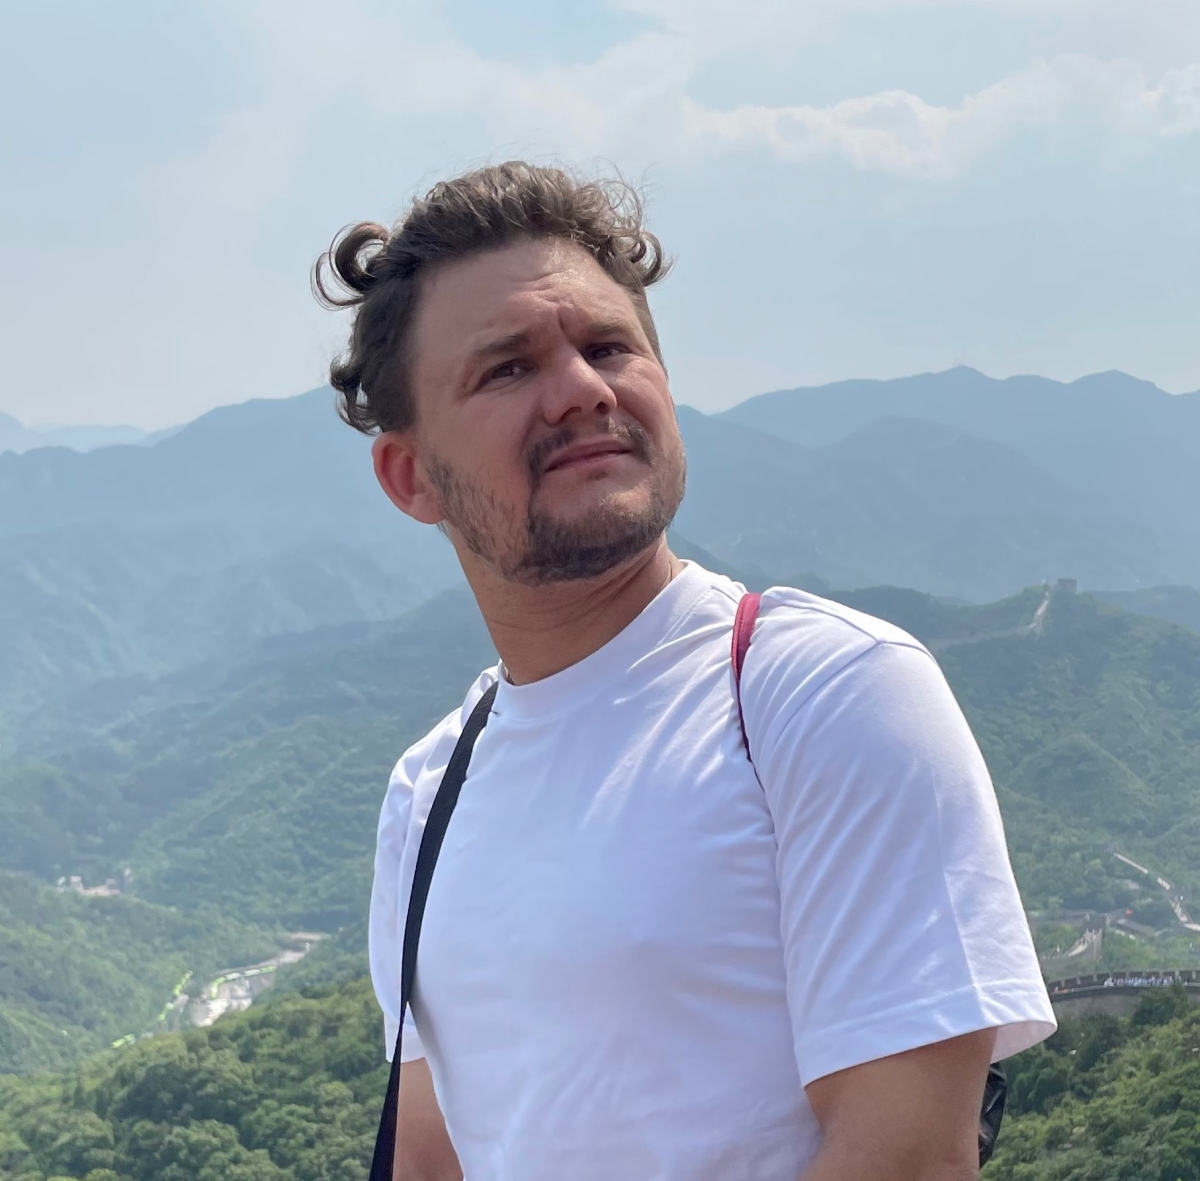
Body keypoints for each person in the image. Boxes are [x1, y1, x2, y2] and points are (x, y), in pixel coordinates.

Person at [315, 162, 1056, 1181]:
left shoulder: (821, 694)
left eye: (609, 346)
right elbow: (429, 1153)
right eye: (508, 369)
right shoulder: (429, 792)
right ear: (410, 477)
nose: (583, 389)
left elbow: (907, 1159)